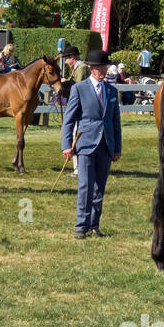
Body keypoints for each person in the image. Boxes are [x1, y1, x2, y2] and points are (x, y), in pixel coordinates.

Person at [61, 49, 122, 239]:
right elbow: (69, 120)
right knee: (85, 186)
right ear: (91, 68)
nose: (103, 70)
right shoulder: (79, 89)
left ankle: (94, 225)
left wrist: (117, 147)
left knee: (99, 188)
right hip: (86, 144)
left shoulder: (112, 91)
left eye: (104, 66)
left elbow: (115, 122)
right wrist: (67, 144)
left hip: (106, 145)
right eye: (99, 67)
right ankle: (81, 226)